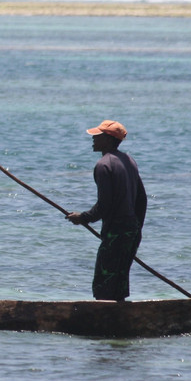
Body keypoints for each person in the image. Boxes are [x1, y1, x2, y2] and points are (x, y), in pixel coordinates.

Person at [66, 120, 146, 301]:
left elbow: (104, 205)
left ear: (109, 140)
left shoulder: (103, 165)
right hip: (131, 230)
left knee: (103, 284)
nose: (93, 139)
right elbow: (142, 200)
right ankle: (119, 321)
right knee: (119, 283)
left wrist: (83, 218)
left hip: (116, 232)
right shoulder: (129, 161)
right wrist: (135, 228)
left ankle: (104, 322)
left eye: (98, 136)